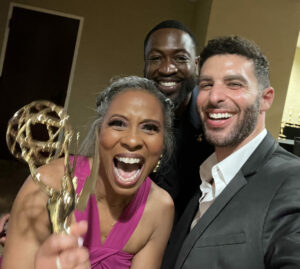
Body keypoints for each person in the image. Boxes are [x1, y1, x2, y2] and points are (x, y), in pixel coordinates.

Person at [2, 76, 175, 269]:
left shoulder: (160, 209)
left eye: (150, 128)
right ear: (98, 132)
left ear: (162, 144)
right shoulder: (47, 185)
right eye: (118, 123)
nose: (133, 140)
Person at [162, 36, 300, 269]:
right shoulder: (203, 178)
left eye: (234, 84)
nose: (215, 97)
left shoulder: (292, 181)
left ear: (265, 99)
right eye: (206, 85)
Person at [144, 20, 213, 222]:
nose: (167, 69)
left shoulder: (215, 123)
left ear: (197, 64)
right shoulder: (131, 115)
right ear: (145, 65)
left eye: (180, 58)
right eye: (156, 58)